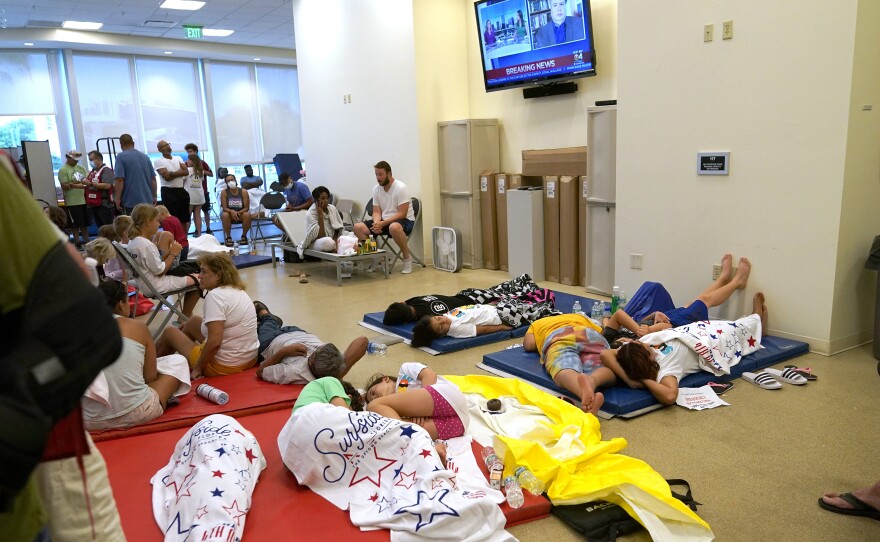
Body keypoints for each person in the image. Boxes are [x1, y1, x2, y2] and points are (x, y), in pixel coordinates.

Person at [599, 293, 769, 406]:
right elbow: (669, 396)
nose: (636, 341)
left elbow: (606, 354)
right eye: (637, 345)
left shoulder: (643, 345)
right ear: (647, 358)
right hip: (710, 343)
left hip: (695, 331)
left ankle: (755, 323)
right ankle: (757, 318)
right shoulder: (666, 369)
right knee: (735, 330)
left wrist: (628, 380)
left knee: (728, 324)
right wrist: (642, 381)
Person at [82, 280, 188, 430]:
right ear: (121, 304)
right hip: (137, 413)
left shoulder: (76, 331)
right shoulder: (138, 327)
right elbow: (149, 378)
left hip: (87, 422)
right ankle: (135, 396)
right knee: (178, 362)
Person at [157, 252, 259, 378]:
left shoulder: (215, 296)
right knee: (192, 321)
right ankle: (167, 362)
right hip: (249, 359)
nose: (199, 276)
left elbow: (215, 341)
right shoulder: (237, 290)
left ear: (218, 275)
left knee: (169, 333)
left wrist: (198, 368)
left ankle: (147, 370)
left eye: (204, 272)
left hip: (224, 366)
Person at [253, 301, 367, 385]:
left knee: (268, 324)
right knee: (268, 325)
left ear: (311, 361)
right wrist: (341, 372)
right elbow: (363, 341)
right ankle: (264, 322)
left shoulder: (295, 371)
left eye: (315, 351)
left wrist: (284, 351)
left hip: (271, 341)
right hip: (297, 331)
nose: (313, 348)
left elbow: (260, 372)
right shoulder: (335, 365)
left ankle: (265, 317)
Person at [523, 313, 614, 414]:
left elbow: (529, 345)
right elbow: (601, 331)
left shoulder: (536, 323)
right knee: (606, 365)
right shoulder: (580, 317)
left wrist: (539, 343)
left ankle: (585, 395)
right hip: (588, 333)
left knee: (564, 368)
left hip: (559, 335)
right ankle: (593, 380)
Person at [382, 273, 554, 325]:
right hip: (469, 295)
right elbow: (404, 303)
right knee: (501, 291)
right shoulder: (416, 301)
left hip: (474, 301)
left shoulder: (426, 317)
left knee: (507, 294)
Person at [126, 203, 200, 317]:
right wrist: (174, 254)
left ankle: (186, 316)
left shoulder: (133, 241)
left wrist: (168, 255)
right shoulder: (146, 245)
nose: (159, 223)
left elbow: (153, 265)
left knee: (191, 274)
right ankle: (185, 317)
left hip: (145, 284)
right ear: (148, 222)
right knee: (199, 279)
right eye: (156, 221)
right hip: (156, 285)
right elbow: (160, 272)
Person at [365, 362, 469, 442]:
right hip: (460, 423)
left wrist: (420, 411)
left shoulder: (404, 370)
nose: (375, 397)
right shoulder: (395, 413)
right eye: (373, 397)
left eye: (373, 392)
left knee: (372, 406)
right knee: (404, 433)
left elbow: (430, 375)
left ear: (385, 379)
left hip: (447, 397)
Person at [353, 161, 416, 274]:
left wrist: (383, 223)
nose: (378, 178)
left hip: (404, 220)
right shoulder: (376, 189)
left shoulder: (401, 187)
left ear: (389, 174)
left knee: (394, 227)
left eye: (381, 174)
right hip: (385, 220)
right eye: (376, 174)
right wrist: (377, 223)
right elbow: (376, 211)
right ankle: (375, 256)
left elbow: (402, 213)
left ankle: (407, 258)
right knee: (358, 227)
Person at [412, 305, 512, 347]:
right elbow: (483, 330)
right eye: (441, 327)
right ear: (441, 335)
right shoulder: (456, 329)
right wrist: (502, 327)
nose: (443, 321)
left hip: (494, 307)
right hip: (502, 315)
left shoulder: (447, 315)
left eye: (438, 318)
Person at [296, 185, 345, 258]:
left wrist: (336, 242)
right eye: (322, 198)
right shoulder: (311, 214)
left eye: (327, 198)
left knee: (350, 237)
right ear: (316, 200)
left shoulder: (332, 208)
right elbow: (320, 236)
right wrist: (320, 215)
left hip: (333, 239)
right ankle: (332, 248)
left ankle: (334, 248)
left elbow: (337, 228)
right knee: (328, 242)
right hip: (317, 242)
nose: (326, 201)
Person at [153, 140, 191, 233]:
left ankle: (183, 240)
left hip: (180, 190)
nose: (167, 147)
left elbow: (186, 172)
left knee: (184, 218)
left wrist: (171, 173)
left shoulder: (178, 158)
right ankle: (172, 239)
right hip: (168, 191)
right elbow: (167, 177)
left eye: (167, 144)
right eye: (163, 146)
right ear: (159, 150)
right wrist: (178, 172)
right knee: (171, 218)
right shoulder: (158, 161)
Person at [114, 133, 157, 214]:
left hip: (131, 202)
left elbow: (119, 180)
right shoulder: (145, 157)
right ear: (133, 143)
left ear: (121, 144)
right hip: (147, 201)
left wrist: (117, 198)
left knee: (133, 225)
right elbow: (153, 179)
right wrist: (154, 196)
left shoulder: (121, 157)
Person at [58, 149, 90, 248]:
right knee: (74, 224)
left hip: (83, 199)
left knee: (84, 223)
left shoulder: (80, 168)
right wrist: (77, 184)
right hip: (72, 201)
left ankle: (87, 240)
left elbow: (87, 180)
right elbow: (64, 185)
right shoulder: (63, 170)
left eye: (77, 160)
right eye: (74, 160)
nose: (76, 161)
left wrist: (72, 183)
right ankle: (77, 242)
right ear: (68, 157)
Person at [84, 150, 116, 227]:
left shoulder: (106, 170)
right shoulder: (93, 171)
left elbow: (108, 185)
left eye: (91, 160)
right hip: (94, 203)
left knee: (108, 228)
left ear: (98, 159)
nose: (90, 162)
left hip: (104, 204)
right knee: (100, 227)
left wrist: (91, 184)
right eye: (89, 160)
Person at [184, 143, 209, 237]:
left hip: (190, 196)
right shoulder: (201, 171)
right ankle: (199, 234)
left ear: (192, 161)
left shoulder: (187, 170)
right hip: (199, 195)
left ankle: (185, 235)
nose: (187, 161)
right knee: (197, 215)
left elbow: (183, 182)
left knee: (188, 216)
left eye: (188, 159)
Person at [220, 174, 252, 247]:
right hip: (229, 215)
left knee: (247, 214)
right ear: (226, 183)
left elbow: (246, 207)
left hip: (241, 214)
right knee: (225, 215)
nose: (230, 182)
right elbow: (224, 208)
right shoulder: (224, 192)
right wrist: (232, 212)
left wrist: (237, 213)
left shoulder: (243, 191)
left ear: (235, 180)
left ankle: (244, 236)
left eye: (232, 180)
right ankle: (228, 237)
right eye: (228, 181)